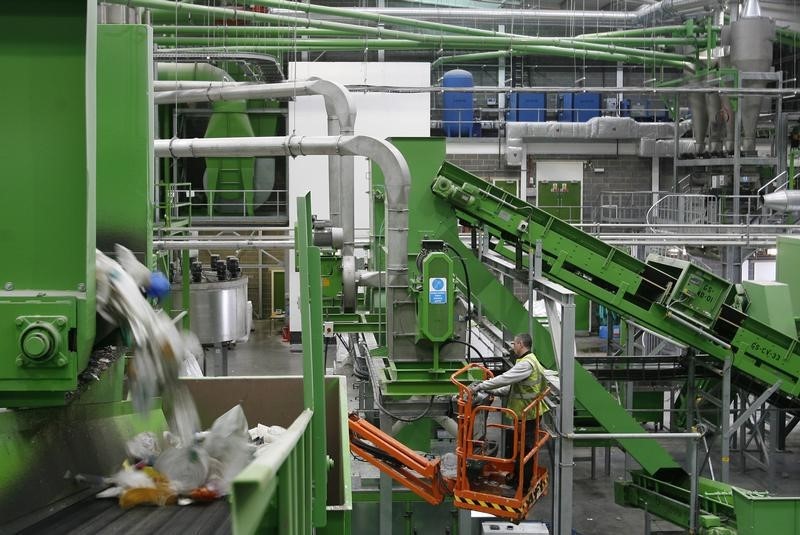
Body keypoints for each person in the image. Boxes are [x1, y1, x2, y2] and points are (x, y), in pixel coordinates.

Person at [469, 333, 549, 489]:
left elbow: (505, 378)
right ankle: (518, 479)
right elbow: (511, 387)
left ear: (520, 344)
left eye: (514, 344)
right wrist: (493, 391)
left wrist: (481, 386)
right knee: (523, 449)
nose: (513, 347)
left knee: (525, 450)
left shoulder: (526, 364)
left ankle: (522, 484)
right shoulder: (530, 361)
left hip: (527, 414)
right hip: (528, 413)